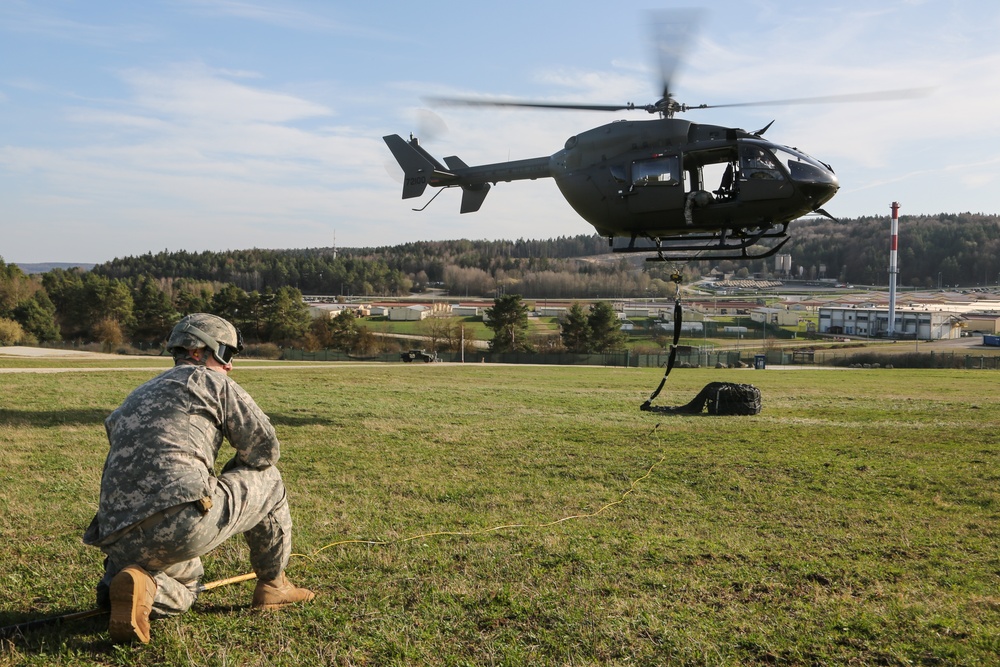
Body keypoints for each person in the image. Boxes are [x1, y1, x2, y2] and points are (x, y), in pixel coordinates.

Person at [83, 313, 314, 644]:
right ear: (198, 352)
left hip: (117, 537)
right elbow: (264, 449)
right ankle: (274, 586)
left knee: (190, 584)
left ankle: (135, 584)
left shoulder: (135, 395)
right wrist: (228, 477)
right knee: (270, 479)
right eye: (227, 354)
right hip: (179, 524)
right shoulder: (211, 381)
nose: (230, 366)